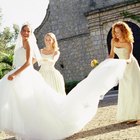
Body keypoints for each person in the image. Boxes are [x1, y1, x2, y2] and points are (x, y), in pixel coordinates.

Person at [0, 23, 127, 140]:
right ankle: (26, 129)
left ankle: (36, 128)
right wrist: (20, 70)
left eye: (29, 31)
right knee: (25, 102)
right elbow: (32, 61)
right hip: (27, 74)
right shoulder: (23, 44)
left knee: (37, 102)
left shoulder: (28, 42)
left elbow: (28, 63)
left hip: (32, 74)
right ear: (21, 32)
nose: (26, 33)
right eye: (24, 31)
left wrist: (15, 74)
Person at [109, 21, 140, 125]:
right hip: (121, 69)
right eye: (115, 32)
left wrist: (121, 63)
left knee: (134, 90)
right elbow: (111, 56)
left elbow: (129, 58)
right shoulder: (113, 41)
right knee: (126, 91)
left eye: (118, 32)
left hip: (131, 67)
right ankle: (131, 116)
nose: (116, 34)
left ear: (124, 31)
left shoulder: (128, 43)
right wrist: (103, 65)